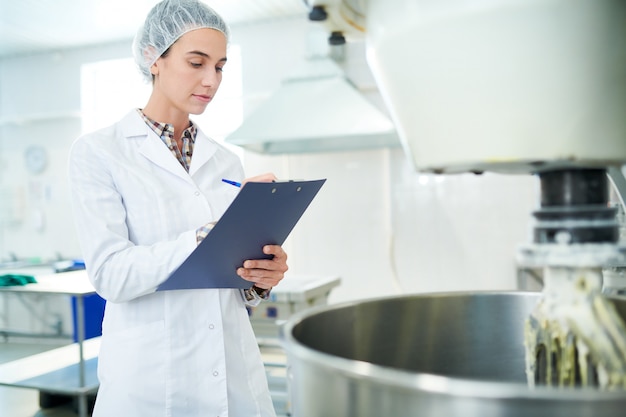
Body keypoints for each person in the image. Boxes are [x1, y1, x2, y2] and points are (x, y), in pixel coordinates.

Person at [68, 1, 287, 415]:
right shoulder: (99, 153)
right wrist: (207, 237)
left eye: (220, 66)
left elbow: (231, 279)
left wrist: (258, 279)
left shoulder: (226, 161)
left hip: (230, 375)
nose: (211, 79)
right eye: (196, 62)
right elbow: (111, 275)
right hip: (151, 384)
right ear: (154, 58)